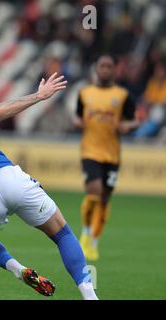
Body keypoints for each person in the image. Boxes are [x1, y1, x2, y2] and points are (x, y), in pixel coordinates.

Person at [0, 73, 99, 300]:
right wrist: (39, 95)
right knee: (62, 233)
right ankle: (89, 295)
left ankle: (17, 269)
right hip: (10, 179)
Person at [74, 55, 139, 261]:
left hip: (112, 155)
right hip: (90, 152)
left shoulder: (122, 95)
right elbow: (78, 116)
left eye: (109, 66)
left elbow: (135, 120)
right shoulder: (85, 93)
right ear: (96, 69)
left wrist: (127, 126)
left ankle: (93, 241)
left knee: (104, 199)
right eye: (101, 66)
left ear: (114, 70)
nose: (105, 70)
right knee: (94, 192)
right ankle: (85, 232)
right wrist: (77, 122)